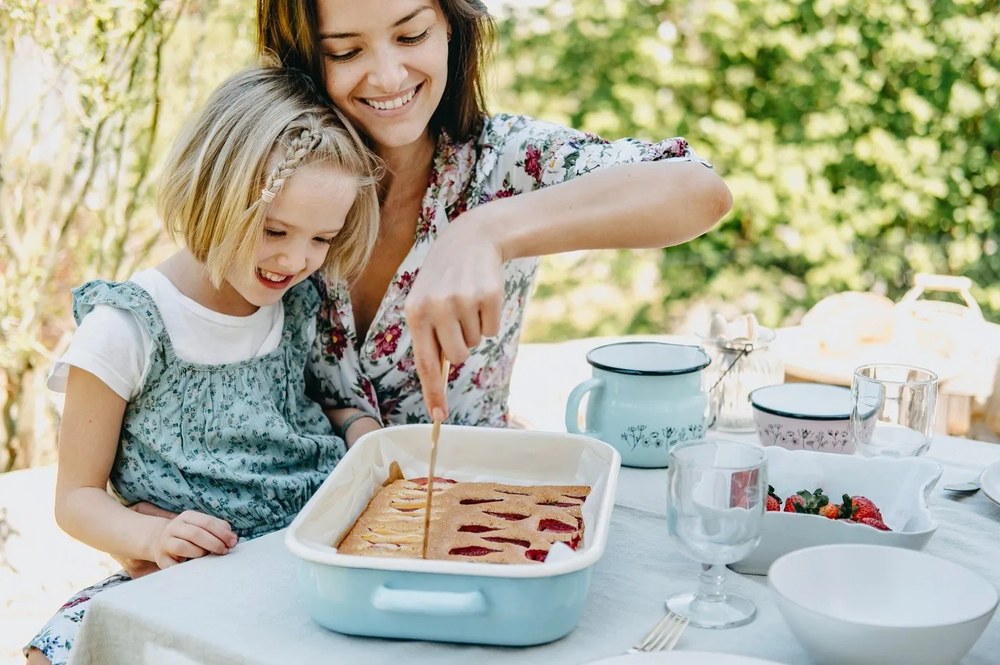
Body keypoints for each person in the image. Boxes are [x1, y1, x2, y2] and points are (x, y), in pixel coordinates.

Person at [24, 65, 380, 665]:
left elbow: (301, 409)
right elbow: (77, 497)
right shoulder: (127, 328)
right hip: (199, 565)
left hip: (316, 551)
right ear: (212, 193)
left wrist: (358, 429)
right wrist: (149, 536)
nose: (297, 258)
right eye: (274, 229)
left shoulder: (293, 303)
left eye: (322, 238)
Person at [258, 0, 734, 438]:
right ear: (301, 55)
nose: (387, 77)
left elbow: (699, 191)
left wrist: (487, 231)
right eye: (344, 51)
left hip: (473, 510)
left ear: (450, 27)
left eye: (411, 36)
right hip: (282, 514)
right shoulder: (265, 159)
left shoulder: (504, 159)